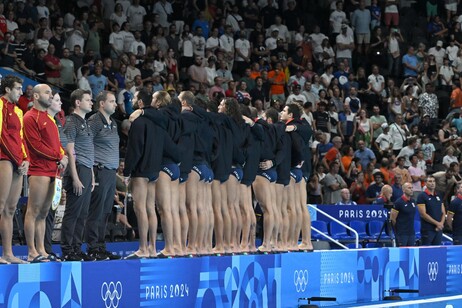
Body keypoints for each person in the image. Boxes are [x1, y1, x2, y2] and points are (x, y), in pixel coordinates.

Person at [23, 84, 68, 263]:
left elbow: (56, 144)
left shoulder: (49, 118)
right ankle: (32, 251)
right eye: (47, 92)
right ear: (35, 96)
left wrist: (63, 156)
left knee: (44, 213)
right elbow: (35, 146)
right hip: (39, 170)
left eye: (51, 92)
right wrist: (59, 156)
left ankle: (41, 249)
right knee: (33, 211)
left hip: (53, 170)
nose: (50, 95)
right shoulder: (30, 117)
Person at [123, 88, 167, 259]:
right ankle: (153, 248)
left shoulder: (139, 122)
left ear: (141, 102)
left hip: (140, 170)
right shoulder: (159, 122)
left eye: (135, 98)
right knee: (150, 208)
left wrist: (127, 171)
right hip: (154, 169)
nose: (133, 101)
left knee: (139, 208)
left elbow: (134, 149)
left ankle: (142, 248)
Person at [85, 91, 121, 260]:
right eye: (112, 101)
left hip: (111, 172)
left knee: (106, 211)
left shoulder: (113, 122)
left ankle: (101, 245)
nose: (115, 104)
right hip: (99, 170)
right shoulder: (94, 121)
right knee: (96, 211)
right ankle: (93, 247)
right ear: (101, 104)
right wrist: (91, 171)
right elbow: (85, 143)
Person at [60, 89, 95, 262]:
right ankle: (67, 249)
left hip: (87, 170)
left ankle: (76, 247)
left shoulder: (86, 122)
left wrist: (92, 175)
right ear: (77, 103)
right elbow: (70, 151)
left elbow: (89, 151)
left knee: (83, 213)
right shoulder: (72, 122)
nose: (91, 102)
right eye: (88, 100)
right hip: (78, 169)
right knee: (73, 211)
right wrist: (74, 177)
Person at [0, 75, 28, 264]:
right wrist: (16, 159)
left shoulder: (18, 111)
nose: (21, 92)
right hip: (4, 158)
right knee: (0, 205)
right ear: (8, 89)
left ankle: (8, 253)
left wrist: (25, 159)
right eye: (18, 88)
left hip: (18, 161)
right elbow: (1, 135)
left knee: (10, 208)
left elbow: (20, 138)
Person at [417, 175, 446, 246]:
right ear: (425, 183)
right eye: (430, 181)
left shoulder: (438, 195)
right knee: (426, 251)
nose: (432, 183)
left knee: (437, 251)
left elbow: (443, 212)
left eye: (433, 181)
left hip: (438, 229)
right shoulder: (422, 196)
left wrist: (441, 223)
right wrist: (437, 223)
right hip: (428, 229)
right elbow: (423, 214)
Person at [391, 182, 416, 246]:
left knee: (411, 253)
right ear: (404, 190)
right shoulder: (398, 202)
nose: (411, 189)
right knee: (402, 253)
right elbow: (392, 219)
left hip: (411, 232)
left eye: (412, 188)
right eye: (409, 188)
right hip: (402, 233)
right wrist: (399, 229)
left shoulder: (413, 201)